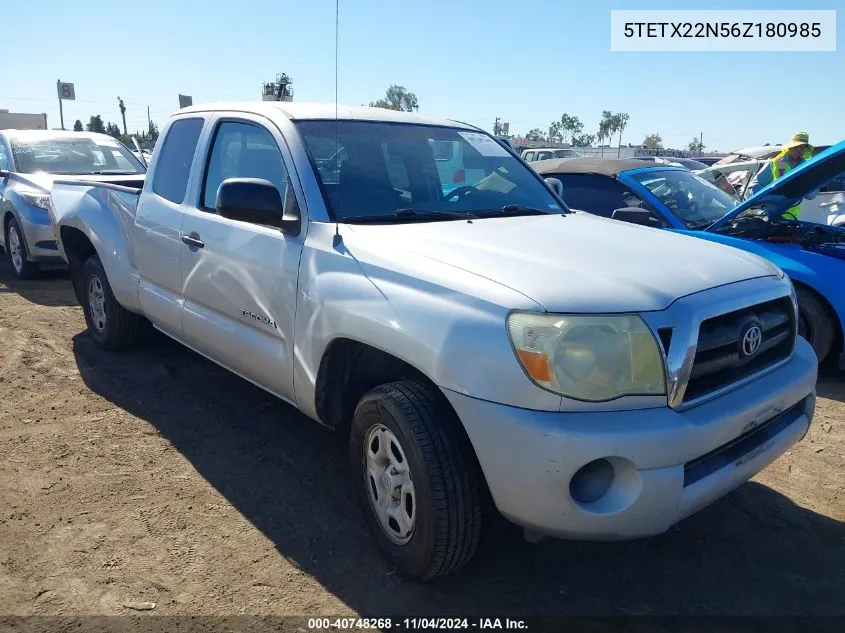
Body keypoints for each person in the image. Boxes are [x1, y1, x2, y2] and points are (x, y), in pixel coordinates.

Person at [747, 131, 817, 220]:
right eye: (797, 147)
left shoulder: (807, 167)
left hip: (792, 218)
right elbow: (754, 187)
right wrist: (768, 202)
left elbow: (811, 196)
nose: (800, 150)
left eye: (803, 148)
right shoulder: (775, 163)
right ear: (789, 147)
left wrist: (805, 186)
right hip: (770, 217)